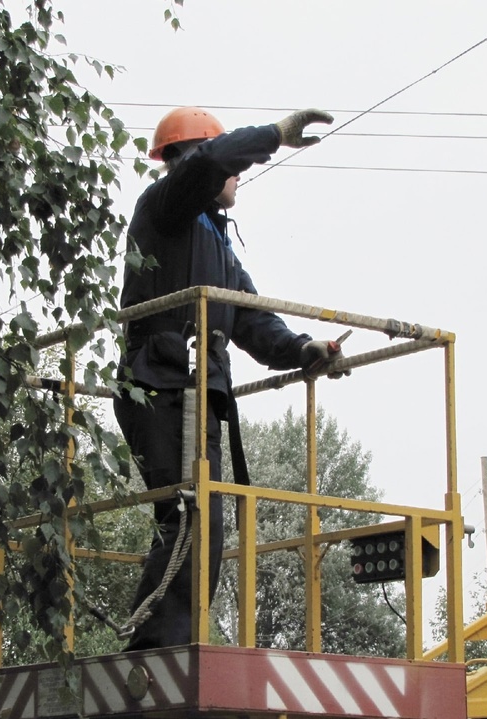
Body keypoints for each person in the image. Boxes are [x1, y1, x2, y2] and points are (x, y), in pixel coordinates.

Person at [113, 106, 350, 650]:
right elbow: (212, 162)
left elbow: (248, 313)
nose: (239, 177)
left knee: (201, 528)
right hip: (163, 384)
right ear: (198, 159)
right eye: (232, 168)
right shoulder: (166, 205)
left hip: (197, 390)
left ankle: (166, 644)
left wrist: (303, 349)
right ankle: (158, 653)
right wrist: (275, 135)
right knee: (190, 524)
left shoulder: (214, 243)